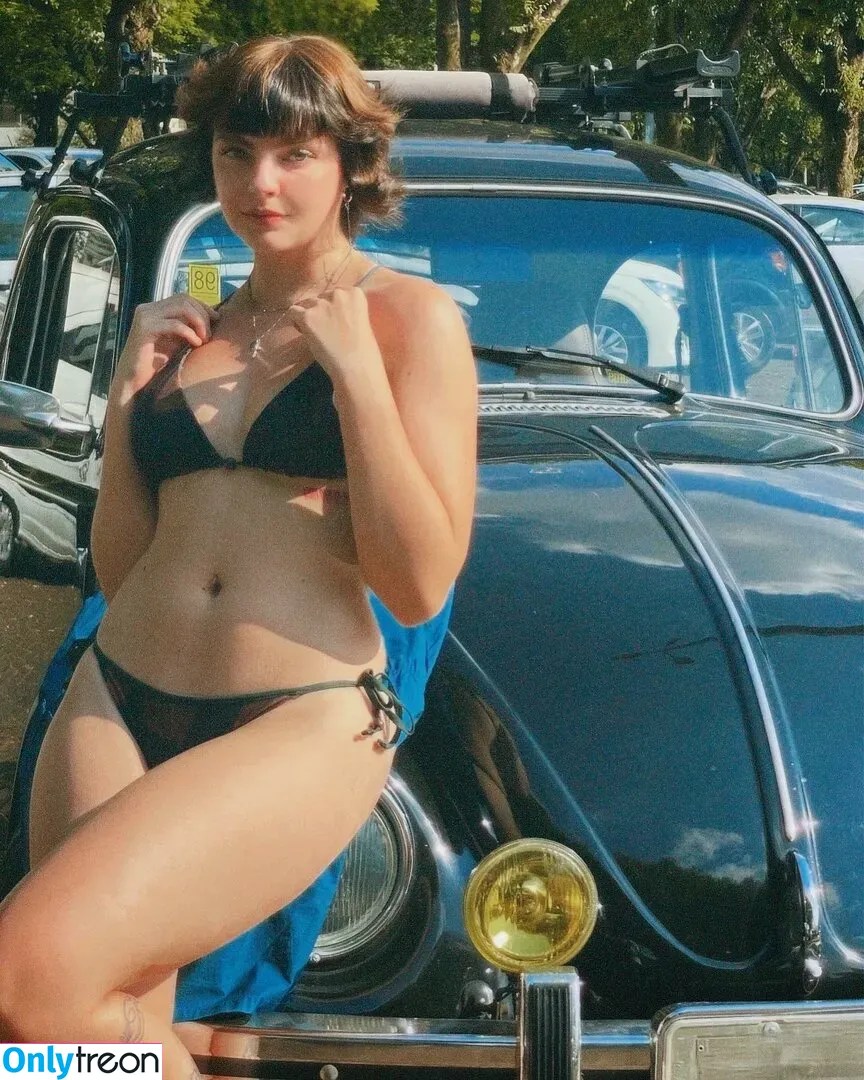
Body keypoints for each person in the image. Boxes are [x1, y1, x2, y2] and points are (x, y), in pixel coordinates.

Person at [0, 33, 477, 1078]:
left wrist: (359, 385)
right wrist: (129, 401)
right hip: (116, 694)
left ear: (349, 164)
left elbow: (418, 584)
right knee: (71, 1035)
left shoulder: (412, 320)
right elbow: (121, 568)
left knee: (24, 982)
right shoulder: (195, 326)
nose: (260, 183)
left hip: (296, 714)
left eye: (295, 154)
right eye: (236, 152)